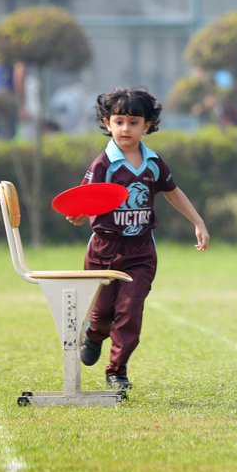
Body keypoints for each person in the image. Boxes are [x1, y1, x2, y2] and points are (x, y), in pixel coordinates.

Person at [67, 87, 210, 390]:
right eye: (118, 121)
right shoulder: (103, 165)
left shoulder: (154, 163)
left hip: (141, 252)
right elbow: (83, 200)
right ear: (107, 124)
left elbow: (173, 192)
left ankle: (117, 370)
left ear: (147, 125)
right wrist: (78, 214)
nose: (125, 128)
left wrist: (197, 222)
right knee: (103, 311)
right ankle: (94, 332)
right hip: (103, 250)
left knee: (129, 312)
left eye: (133, 122)